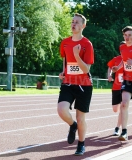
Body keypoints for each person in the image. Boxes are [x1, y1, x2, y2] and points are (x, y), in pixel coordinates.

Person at [57, 13, 94, 156]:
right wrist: (63, 72)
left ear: (83, 26)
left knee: (81, 118)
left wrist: (77, 55)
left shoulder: (87, 44)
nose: (74, 24)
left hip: (84, 85)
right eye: (72, 21)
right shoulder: (65, 42)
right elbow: (65, 61)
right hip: (68, 83)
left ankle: (81, 144)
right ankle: (73, 126)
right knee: (61, 110)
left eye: (77, 22)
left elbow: (86, 69)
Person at [107, 41, 125, 136]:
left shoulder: (130, 59)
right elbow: (110, 67)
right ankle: (121, 116)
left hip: (126, 87)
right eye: (121, 48)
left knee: (123, 107)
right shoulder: (116, 59)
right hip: (116, 87)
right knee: (115, 109)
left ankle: (117, 128)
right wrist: (109, 75)